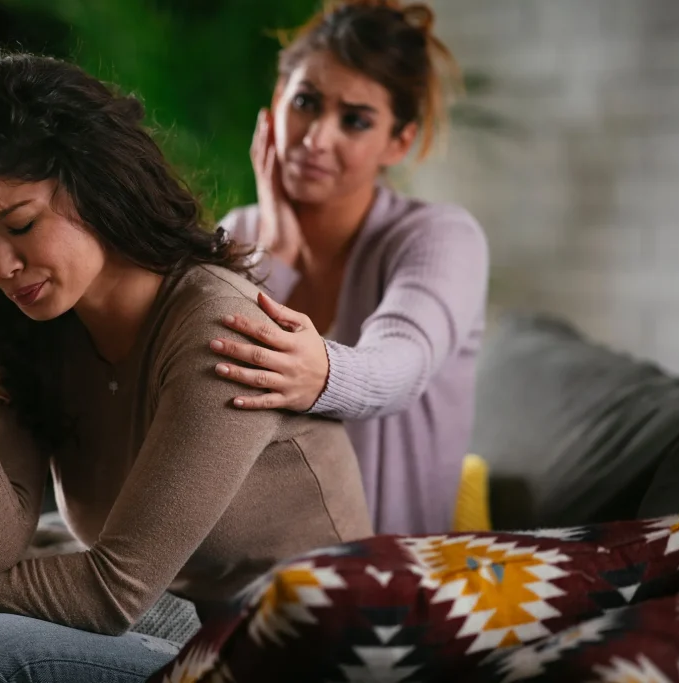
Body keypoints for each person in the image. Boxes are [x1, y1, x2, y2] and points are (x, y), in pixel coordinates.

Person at [0, 52, 371, 682]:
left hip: (289, 648)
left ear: (94, 184)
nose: (1, 267)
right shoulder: (27, 329)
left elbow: (110, 594)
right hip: (171, 622)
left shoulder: (217, 331)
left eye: (20, 224)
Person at [210, 0, 490, 536]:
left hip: (386, 572)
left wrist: (323, 375)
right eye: (306, 103)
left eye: (355, 121)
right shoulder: (239, 233)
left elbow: (401, 364)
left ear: (399, 141)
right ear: (277, 101)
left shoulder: (440, 238)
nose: (317, 138)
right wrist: (275, 256)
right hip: (245, 561)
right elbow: (207, 398)